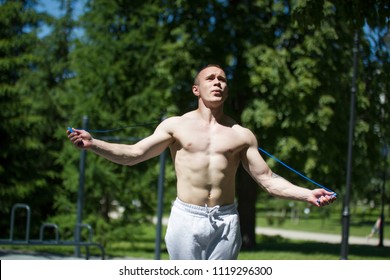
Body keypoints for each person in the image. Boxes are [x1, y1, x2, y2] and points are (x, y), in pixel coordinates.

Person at [67, 64, 336, 260]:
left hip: (226, 220)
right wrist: (94, 144)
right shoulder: (176, 126)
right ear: (197, 89)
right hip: (186, 218)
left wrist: (307, 194)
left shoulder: (241, 135)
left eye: (222, 79)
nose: (218, 82)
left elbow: (267, 179)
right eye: (211, 78)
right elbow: (135, 154)